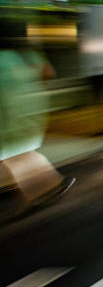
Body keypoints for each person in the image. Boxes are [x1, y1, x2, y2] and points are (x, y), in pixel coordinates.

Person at [0, 17, 74, 210]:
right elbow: (48, 73)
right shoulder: (28, 54)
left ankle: (50, 186)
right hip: (30, 109)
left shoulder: (2, 59)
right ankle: (51, 184)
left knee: (14, 156)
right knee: (22, 154)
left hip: (8, 116)